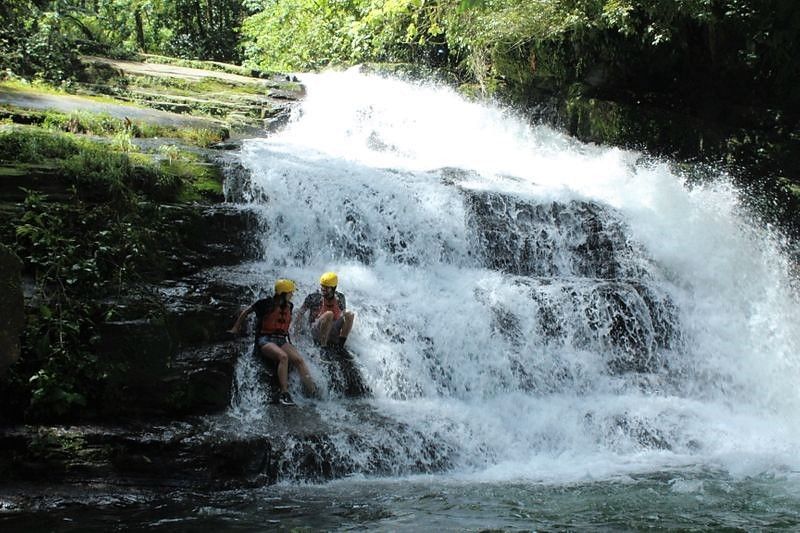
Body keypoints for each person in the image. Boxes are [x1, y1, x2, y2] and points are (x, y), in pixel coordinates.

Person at [228, 278, 316, 406]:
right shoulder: (265, 303)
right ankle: (284, 394)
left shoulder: (289, 306)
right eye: (291, 293)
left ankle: (312, 391)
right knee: (283, 357)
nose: (292, 295)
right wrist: (235, 328)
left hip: (281, 339)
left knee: (299, 360)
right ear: (283, 293)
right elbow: (246, 312)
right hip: (265, 339)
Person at [296, 271, 355, 349]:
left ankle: (340, 346)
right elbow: (300, 313)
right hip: (316, 330)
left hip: (332, 329)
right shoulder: (313, 297)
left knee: (350, 314)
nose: (323, 289)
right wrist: (296, 333)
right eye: (322, 286)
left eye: (326, 287)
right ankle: (323, 347)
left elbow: (343, 316)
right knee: (329, 314)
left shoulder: (340, 297)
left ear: (334, 288)